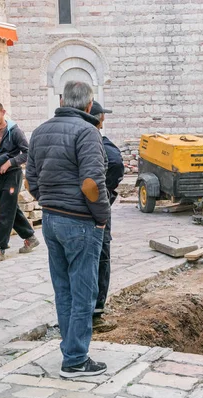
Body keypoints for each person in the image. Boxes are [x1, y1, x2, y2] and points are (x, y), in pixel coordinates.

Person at [26, 81, 111, 378]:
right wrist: (101, 217)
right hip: (80, 222)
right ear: (89, 105)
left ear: (62, 100)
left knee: (63, 290)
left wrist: (47, 201)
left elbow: (31, 180)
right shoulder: (87, 132)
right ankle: (75, 359)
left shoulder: (40, 131)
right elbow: (91, 184)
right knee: (84, 292)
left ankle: (71, 350)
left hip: (50, 220)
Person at [0, 101, 39, 263]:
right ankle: (30, 237)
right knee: (10, 208)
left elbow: (28, 153)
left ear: (3, 112)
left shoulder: (14, 131)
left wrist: (10, 163)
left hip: (13, 175)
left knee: (5, 210)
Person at [89, 101, 124, 333]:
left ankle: (77, 312)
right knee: (100, 257)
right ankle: (96, 311)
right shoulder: (98, 142)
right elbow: (116, 164)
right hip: (96, 210)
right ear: (99, 119)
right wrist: (105, 194)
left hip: (67, 212)